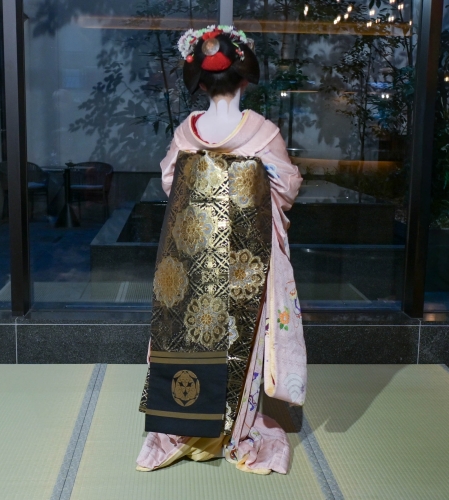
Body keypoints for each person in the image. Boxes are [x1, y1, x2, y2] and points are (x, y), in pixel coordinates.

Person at [137, 25, 307, 475]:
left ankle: (185, 422)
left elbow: (171, 183)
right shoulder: (262, 132)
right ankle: (236, 427)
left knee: (191, 333)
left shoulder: (186, 132)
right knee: (243, 338)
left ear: (201, 84)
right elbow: (286, 186)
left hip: (193, 253)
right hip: (247, 256)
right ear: (245, 79)